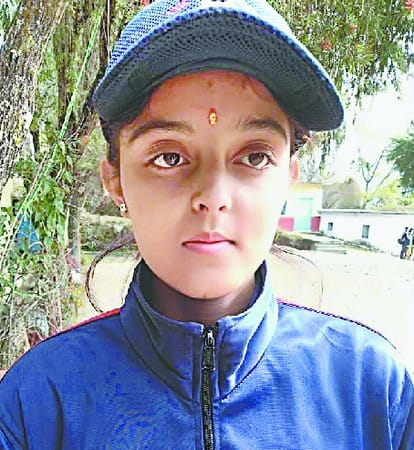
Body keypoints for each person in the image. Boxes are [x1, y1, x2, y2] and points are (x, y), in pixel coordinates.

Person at [1, 0, 413, 448]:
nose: (214, 197)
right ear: (115, 181)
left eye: (254, 157)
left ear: (288, 179)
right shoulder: (36, 404)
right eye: (169, 157)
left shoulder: (374, 392)